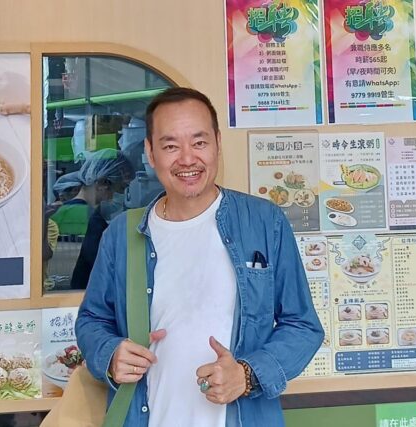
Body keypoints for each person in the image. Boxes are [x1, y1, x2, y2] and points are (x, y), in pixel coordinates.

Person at [75, 87, 324, 426]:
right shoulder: (122, 235)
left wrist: (247, 374)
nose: (187, 159)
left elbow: (303, 325)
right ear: (150, 152)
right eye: (170, 146)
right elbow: (92, 320)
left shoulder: (264, 222)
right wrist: (109, 354)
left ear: (218, 143)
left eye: (199, 142)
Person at [59, 149, 134, 289]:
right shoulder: (92, 220)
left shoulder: (60, 213)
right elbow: (100, 267)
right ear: (103, 183)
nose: (122, 195)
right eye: (122, 188)